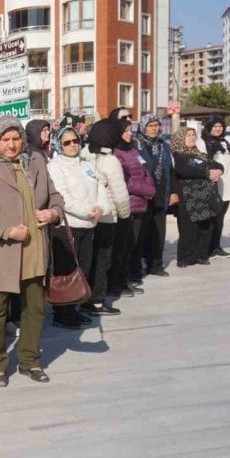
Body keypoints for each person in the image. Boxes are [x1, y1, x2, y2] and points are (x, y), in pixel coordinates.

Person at [0, 116, 64, 386]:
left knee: (34, 308)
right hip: (2, 248)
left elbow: (56, 196)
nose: (11, 145)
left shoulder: (35, 161)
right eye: (5, 139)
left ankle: (30, 360)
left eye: (15, 139)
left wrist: (53, 213)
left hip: (35, 247)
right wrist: (7, 231)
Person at [47, 126, 113, 330]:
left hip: (88, 225)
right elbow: (62, 196)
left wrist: (101, 207)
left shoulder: (86, 165)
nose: (72, 145)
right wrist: (87, 210)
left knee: (83, 268)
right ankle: (62, 312)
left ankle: (74, 308)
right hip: (68, 226)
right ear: (60, 144)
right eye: (67, 142)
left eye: (75, 141)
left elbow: (100, 188)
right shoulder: (56, 166)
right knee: (66, 272)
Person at [81, 120, 130, 316]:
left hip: (87, 214)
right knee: (102, 260)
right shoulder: (110, 161)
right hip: (107, 216)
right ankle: (97, 300)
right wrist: (125, 215)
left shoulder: (84, 155)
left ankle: (83, 297)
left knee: (88, 259)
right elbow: (119, 194)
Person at [111, 119, 156, 296]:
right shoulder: (116, 153)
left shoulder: (133, 150)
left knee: (134, 245)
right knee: (124, 246)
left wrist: (151, 189)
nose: (130, 133)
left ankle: (128, 279)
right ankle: (120, 283)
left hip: (141, 203)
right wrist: (147, 190)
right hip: (128, 204)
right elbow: (126, 181)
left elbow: (145, 172)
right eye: (126, 131)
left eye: (131, 130)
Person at [171, 126, 224, 267]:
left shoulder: (199, 154)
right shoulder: (178, 155)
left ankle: (201, 255)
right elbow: (185, 169)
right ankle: (185, 258)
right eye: (188, 135)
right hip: (189, 197)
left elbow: (217, 164)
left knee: (206, 227)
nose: (192, 137)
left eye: (193, 134)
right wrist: (207, 173)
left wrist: (218, 171)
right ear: (181, 138)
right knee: (189, 229)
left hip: (205, 196)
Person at [136, 115, 173, 277]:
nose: (154, 128)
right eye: (150, 126)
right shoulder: (136, 145)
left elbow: (171, 170)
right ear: (143, 127)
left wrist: (172, 192)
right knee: (141, 233)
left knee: (158, 232)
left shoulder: (164, 145)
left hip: (160, 194)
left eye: (156, 125)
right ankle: (136, 267)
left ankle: (155, 265)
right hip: (143, 196)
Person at [199, 115, 230, 258]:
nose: (218, 129)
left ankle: (216, 246)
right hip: (214, 184)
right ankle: (207, 248)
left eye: (220, 126)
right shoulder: (203, 142)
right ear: (209, 128)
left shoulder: (224, 142)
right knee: (212, 217)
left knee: (221, 216)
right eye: (215, 126)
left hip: (227, 183)